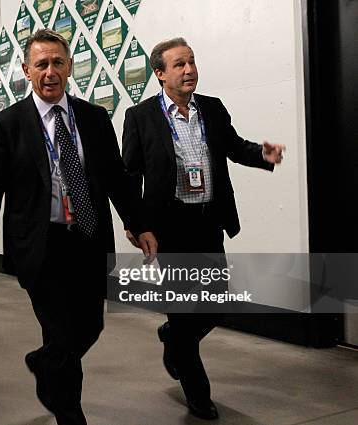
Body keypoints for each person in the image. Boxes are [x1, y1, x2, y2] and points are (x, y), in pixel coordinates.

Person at [0, 29, 156, 425]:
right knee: (61, 330)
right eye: (41, 64)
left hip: (88, 237)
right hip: (41, 246)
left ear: (69, 67)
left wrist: (138, 225)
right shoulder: (6, 124)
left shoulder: (94, 117)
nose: (50, 72)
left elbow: (117, 178)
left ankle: (44, 361)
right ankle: (71, 414)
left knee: (90, 325)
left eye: (57, 63)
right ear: (26, 70)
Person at [122, 37, 285, 420]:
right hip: (169, 226)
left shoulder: (211, 108)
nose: (189, 69)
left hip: (208, 220)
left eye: (191, 62)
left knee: (214, 306)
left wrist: (262, 155)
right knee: (182, 310)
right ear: (160, 74)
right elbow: (130, 174)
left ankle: (172, 340)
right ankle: (197, 393)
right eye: (178, 64)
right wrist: (135, 222)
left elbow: (233, 145)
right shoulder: (140, 116)